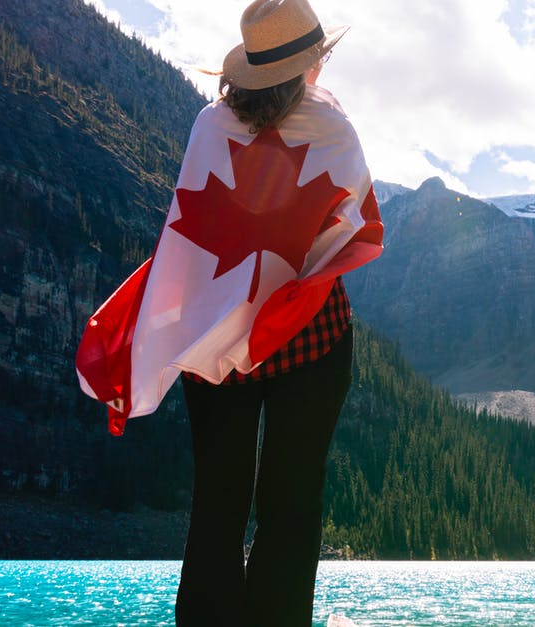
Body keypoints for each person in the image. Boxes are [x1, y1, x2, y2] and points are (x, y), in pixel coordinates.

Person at [168, 1, 375, 624]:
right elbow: (357, 222)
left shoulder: (210, 124)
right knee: (291, 507)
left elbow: (187, 234)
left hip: (215, 342)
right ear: (312, 62)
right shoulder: (332, 127)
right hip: (310, 338)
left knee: (216, 505)